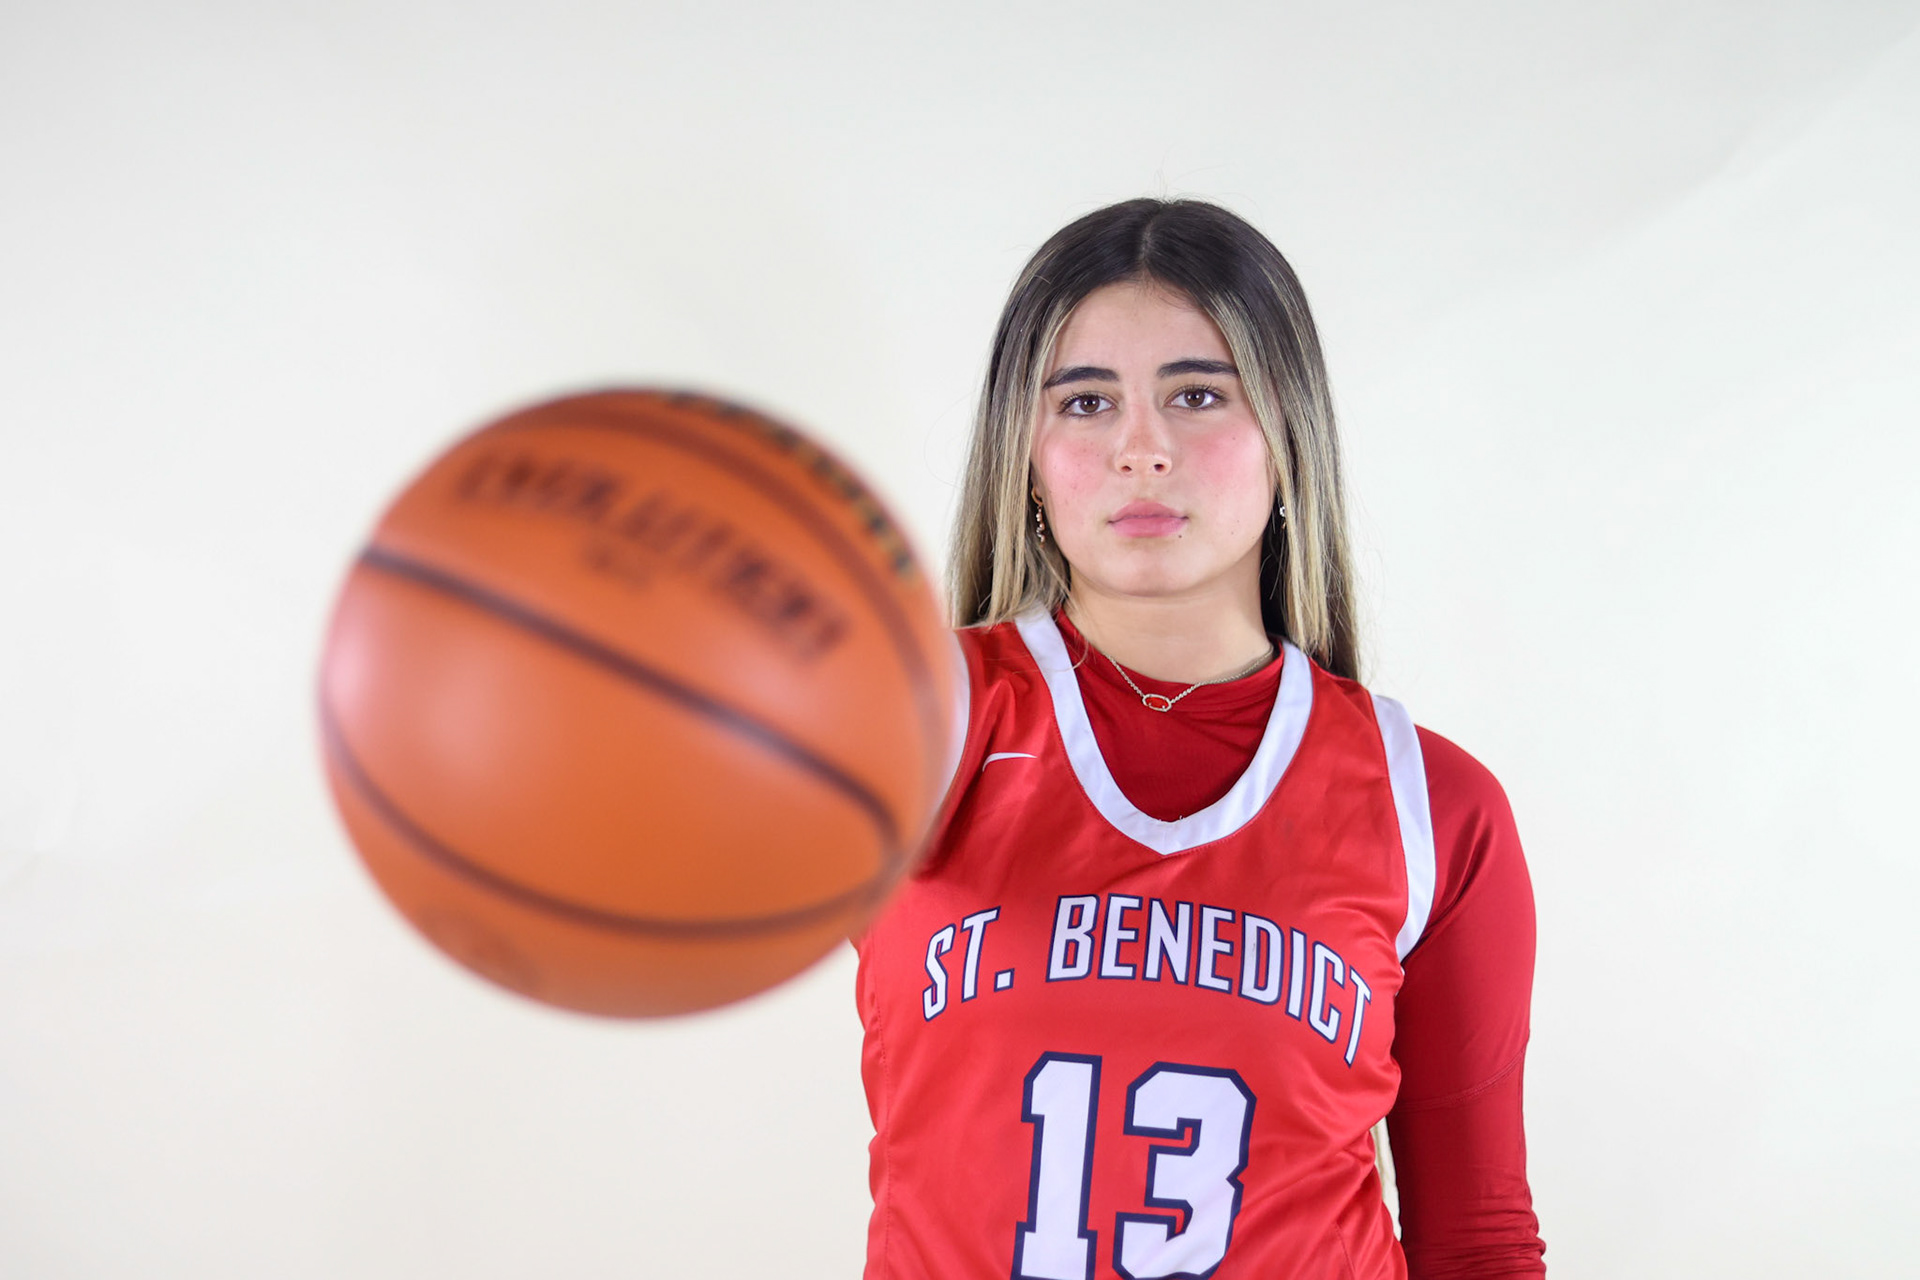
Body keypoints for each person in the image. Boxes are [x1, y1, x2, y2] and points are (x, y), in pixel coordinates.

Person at [852, 198, 1545, 1279]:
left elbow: (1476, 1239)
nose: (1142, 449)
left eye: (1197, 393)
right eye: (1085, 401)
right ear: (1024, 452)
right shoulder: (910, 718)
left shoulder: (1430, 804)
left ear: (1286, 432)